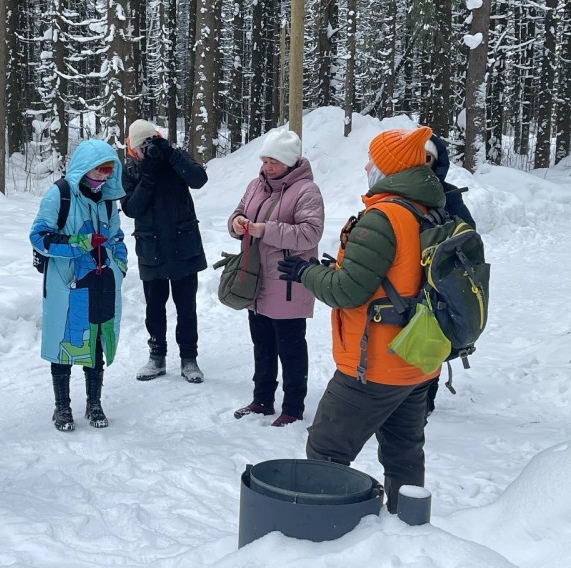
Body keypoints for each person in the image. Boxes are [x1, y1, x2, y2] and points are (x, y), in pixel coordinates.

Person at [278, 125, 445, 512]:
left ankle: (324, 534)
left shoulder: (383, 217)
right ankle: (409, 527)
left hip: (375, 365)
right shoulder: (428, 209)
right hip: (417, 360)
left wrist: (306, 274)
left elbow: (347, 292)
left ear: (389, 169)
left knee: (326, 451)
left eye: (375, 160)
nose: (368, 165)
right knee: (404, 453)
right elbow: (393, 279)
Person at [228, 128, 324, 426]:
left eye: (274, 162)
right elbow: (238, 213)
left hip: (287, 282)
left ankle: (293, 408)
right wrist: (238, 223)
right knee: (263, 345)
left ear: (290, 162)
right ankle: (262, 400)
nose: (267, 166)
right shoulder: (256, 184)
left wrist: (266, 230)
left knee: (291, 348)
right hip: (256, 278)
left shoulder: (307, 190)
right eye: (265, 160)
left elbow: (310, 233)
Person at [30, 140, 128, 432]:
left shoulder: (108, 199)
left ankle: (94, 402)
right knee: (65, 341)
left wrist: (119, 262)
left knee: (96, 339)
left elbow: (117, 235)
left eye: (110, 170)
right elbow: (39, 236)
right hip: (67, 284)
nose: (105, 176)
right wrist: (79, 244)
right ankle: (62, 406)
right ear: (84, 168)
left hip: (102, 281)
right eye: (100, 169)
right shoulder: (59, 195)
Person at [121, 120, 208, 384]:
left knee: (187, 307)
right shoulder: (132, 171)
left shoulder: (175, 158)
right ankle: (156, 356)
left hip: (183, 246)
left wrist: (169, 153)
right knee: (154, 308)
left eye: (152, 143)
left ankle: (189, 358)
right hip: (151, 248)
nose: (147, 151)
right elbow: (131, 209)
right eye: (142, 147)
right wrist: (147, 175)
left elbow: (199, 179)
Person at [424, 134, 477, 416]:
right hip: (404, 276)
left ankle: (427, 396)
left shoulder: (449, 194)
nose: (422, 163)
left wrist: (443, 228)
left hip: (436, 278)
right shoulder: (398, 191)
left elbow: (468, 232)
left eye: (427, 158)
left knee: (432, 335)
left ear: (436, 161)